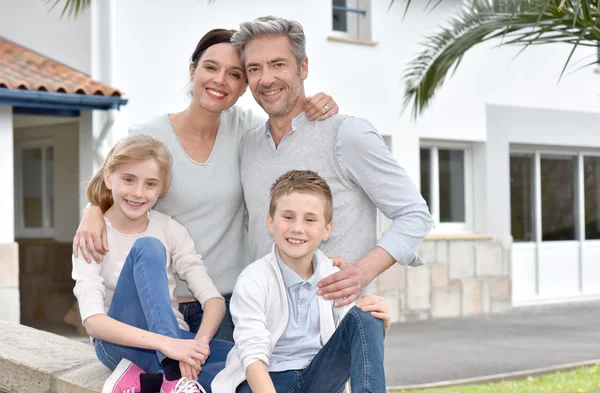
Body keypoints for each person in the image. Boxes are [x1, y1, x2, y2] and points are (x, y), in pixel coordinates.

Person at [72, 28, 340, 342]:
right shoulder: (147, 133)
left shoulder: (248, 130)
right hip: (159, 302)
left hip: (226, 302)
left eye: (235, 74)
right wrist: (93, 211)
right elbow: (112, 184)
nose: (220, 80)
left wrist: (315, 104)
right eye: (211, 67)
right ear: (193, 70)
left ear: (244, 86)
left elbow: (291, 129)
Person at [233, 16, 434, 308]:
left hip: (338, 328)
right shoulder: (249, 145)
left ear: (303, 68)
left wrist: (362, 272)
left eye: (278, 64)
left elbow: (414, 215)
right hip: (268, 327)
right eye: (255, 68)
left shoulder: (347, 134)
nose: (266, 79)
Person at [72, 134, 231, 393]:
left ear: (162, 188)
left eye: (150, 184)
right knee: (148, 248)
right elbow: (93, 321)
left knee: (251, 361)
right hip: (121, 345)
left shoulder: (170, 229)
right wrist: (169, 346)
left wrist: (197, 346)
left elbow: (213, 300)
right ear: (109, 177)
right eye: (128, 179)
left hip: (178, 341)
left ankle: (156, 382)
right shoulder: (91, 235)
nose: (138, 192)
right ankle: (171, 374)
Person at [211, 170, 390, 393]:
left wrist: (377, 321)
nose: (297, 228)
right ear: (270, 222)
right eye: (288, 217)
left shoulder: (333, 276)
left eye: (310, 219)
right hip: (265, 380)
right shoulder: (253, 279)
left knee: (368, 315)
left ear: (327, 230)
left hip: (318, 379)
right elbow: (253, 354)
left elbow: (354, 341)